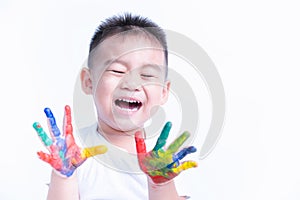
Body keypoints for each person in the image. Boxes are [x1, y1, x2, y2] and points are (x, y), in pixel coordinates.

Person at [33, 13, 197, 200]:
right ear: (88, 82)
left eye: (147, 75)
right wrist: (62, 177)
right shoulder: (74, 151)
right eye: (117, 70)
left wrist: (162, 184)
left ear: (164, 92)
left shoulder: (166, 158)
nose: (131, 83)